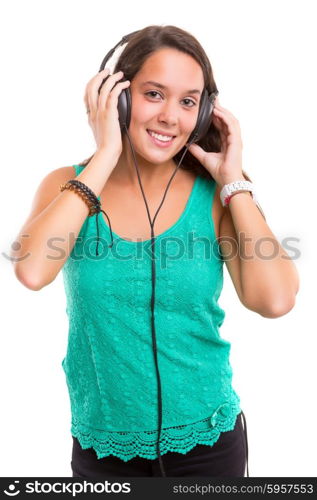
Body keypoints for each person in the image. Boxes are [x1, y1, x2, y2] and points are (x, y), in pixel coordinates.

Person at [11, 25, 299, 478]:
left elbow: (276, 301)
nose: (170, 116)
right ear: (117, 98)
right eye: (153, 94)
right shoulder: (67, 187)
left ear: (204, 113)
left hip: (209, 445)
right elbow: (30, 271)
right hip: (104, 448)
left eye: (188, 101)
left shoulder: (215, 196)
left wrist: (233, 181)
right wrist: (106, 155)